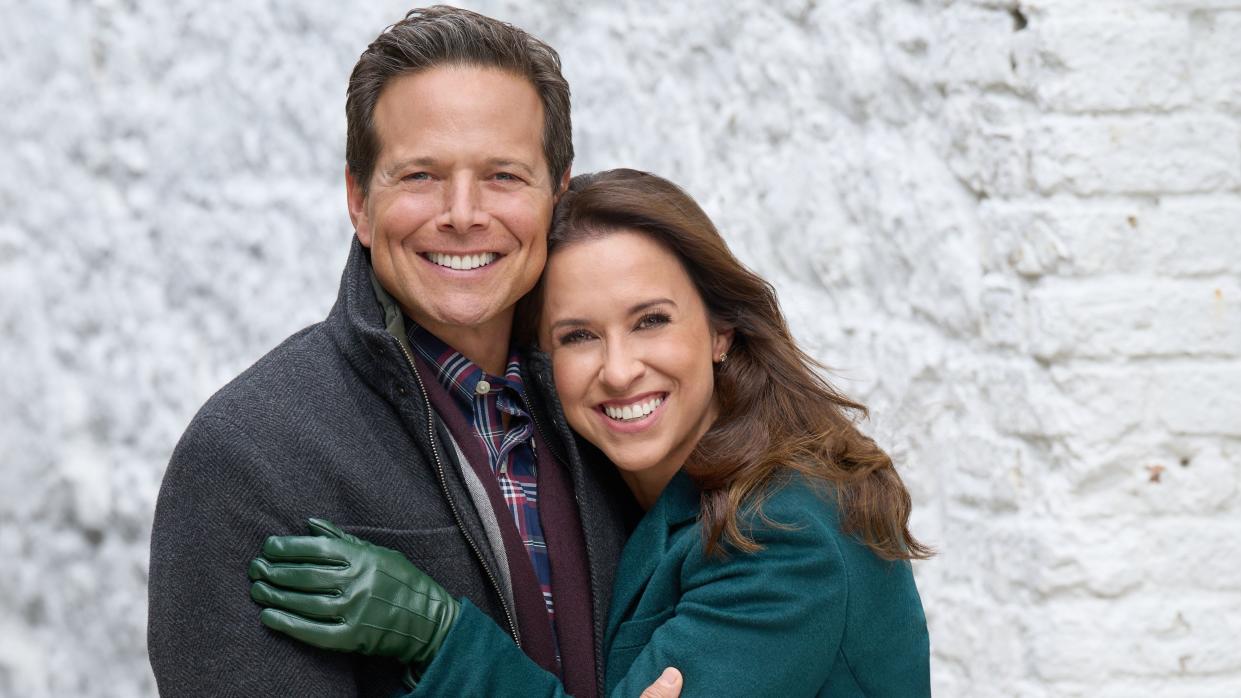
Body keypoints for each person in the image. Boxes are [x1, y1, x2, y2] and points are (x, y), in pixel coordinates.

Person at [148, 8, 681, 697]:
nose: (462, 212)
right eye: (421, 175)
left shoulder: (618, 413)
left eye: (503, 176)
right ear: (358, 200)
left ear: (558, 195)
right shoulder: (252, 454)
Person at [247, 169, 933, 696]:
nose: (618, 369)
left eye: (651, 321)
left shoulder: (787, 532)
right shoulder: (633, 493)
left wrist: (439, 634)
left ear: (721, 330)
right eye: (578, 336)